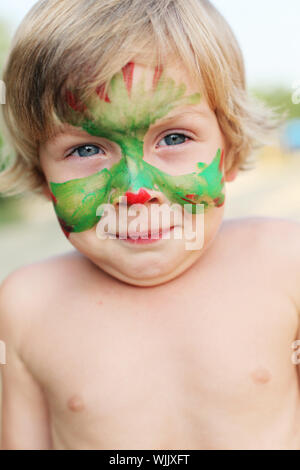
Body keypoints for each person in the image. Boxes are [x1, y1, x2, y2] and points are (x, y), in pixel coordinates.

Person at [0, 0, 299, 450]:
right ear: (42, 175)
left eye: (174, 138)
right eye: (86, 150)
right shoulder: (25, 308)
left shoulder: (286, 263)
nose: (136, 190)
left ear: (231, 149)